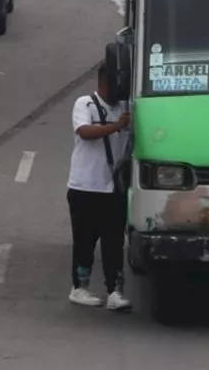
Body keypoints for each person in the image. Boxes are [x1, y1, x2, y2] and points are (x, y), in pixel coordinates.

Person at [66, 65, 133, 311]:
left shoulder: (126, 108)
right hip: (85, 186)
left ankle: (115, 291)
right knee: (84, 239)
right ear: (105, 83)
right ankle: (79, 287)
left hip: (113, 187)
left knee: (114, 241)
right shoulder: (85, 104)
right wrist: (117, 126)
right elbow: (85, 132)